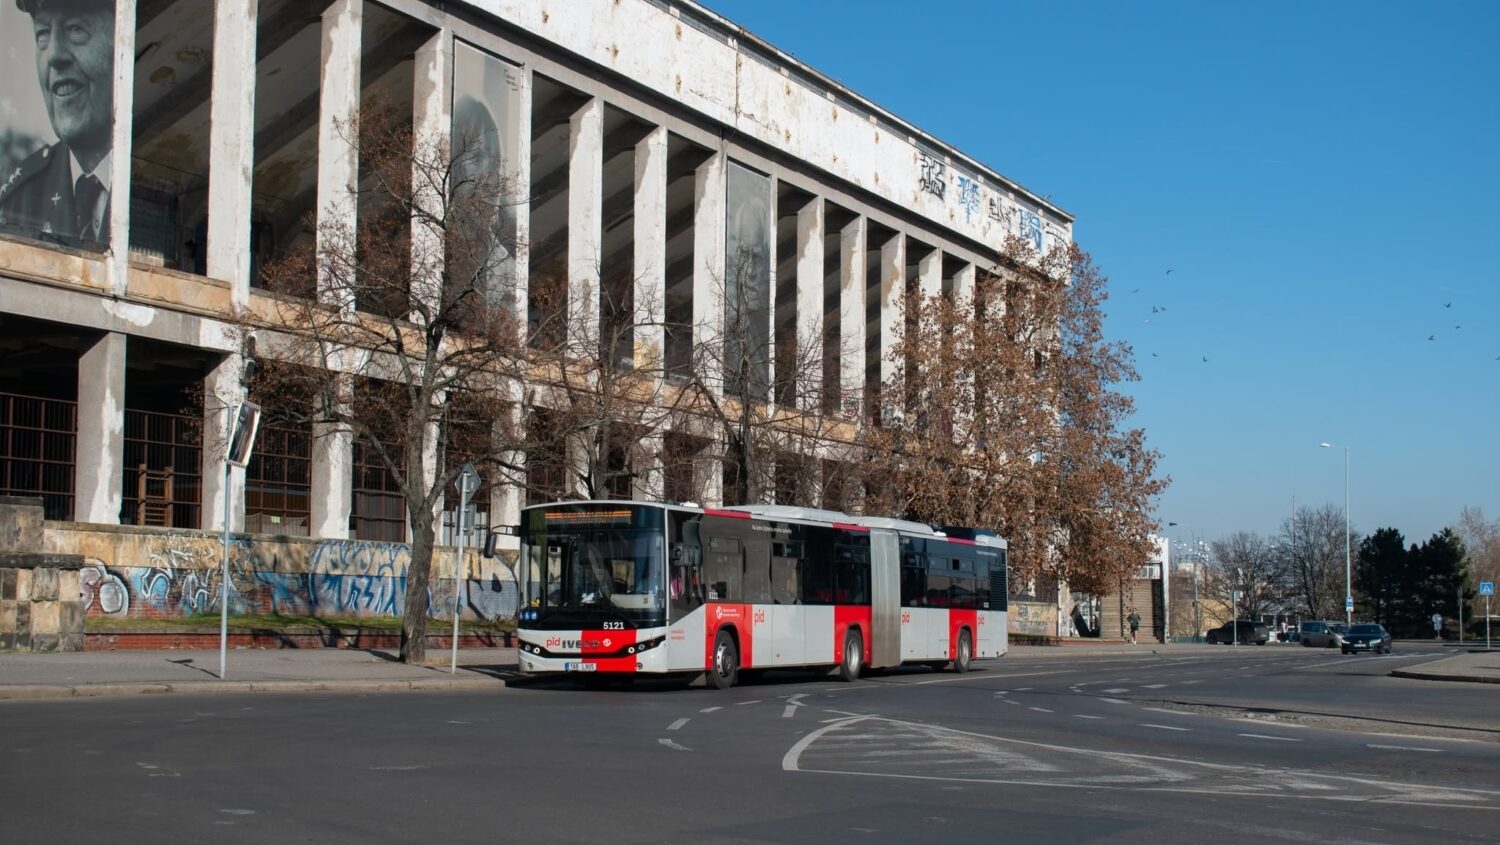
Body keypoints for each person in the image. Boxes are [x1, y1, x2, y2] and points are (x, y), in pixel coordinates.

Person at [0, 0, 116, 249]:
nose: (53, 55)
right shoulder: (19, 198)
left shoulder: (156, 177)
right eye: (42, 34)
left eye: (76, 29)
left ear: (123, 43)